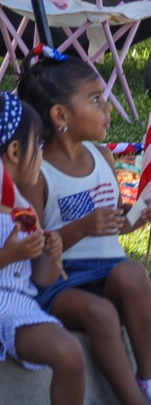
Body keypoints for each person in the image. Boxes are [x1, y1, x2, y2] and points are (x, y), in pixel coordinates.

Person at [16, 49, 151, 404]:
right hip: (60, 280)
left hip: (107, 270)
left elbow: (112, 223)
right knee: (101, 314)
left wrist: (139, 214)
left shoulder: (103, 157)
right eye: (95, 99)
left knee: (133, 273)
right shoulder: (37, 171)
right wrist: (83, 227)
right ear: (61, 114)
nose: (108, 108)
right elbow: (31, 245)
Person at [0, 92, 85, 405]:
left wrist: (52, 252)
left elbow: (43, 279)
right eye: (38, 146)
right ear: (14, 150)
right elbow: (12, 258)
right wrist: (10, 255)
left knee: (69, 353)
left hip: (14, 304)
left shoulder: (22, 208)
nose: (42, 153)